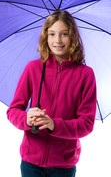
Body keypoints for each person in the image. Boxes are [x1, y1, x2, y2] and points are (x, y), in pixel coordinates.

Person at [7, 10, 97, 177]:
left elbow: (86, 124)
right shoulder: (33, 68)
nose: (57, 40)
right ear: (45, 37)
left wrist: (54, 125)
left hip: (64, 164)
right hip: (30, 163)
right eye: (52, 34)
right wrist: (26, 118)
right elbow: (13, 111)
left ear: (73, 37)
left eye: (64, 34)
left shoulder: (86, 75)